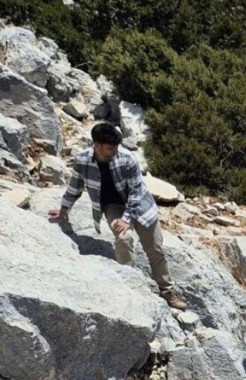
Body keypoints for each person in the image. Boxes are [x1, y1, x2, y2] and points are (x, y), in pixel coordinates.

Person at [49, 122, 188, 310]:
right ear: (97, 145)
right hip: (112, 206)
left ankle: (168, 291)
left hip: (142, 206)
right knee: (124, 238)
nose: (115, 150)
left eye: (116, 146)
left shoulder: (127, 158)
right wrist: (64, 209)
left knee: (155, 248)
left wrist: (127, 218)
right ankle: (130, 286)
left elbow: (136, 192)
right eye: (110, 147)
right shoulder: (82, 160)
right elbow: (75, 187)